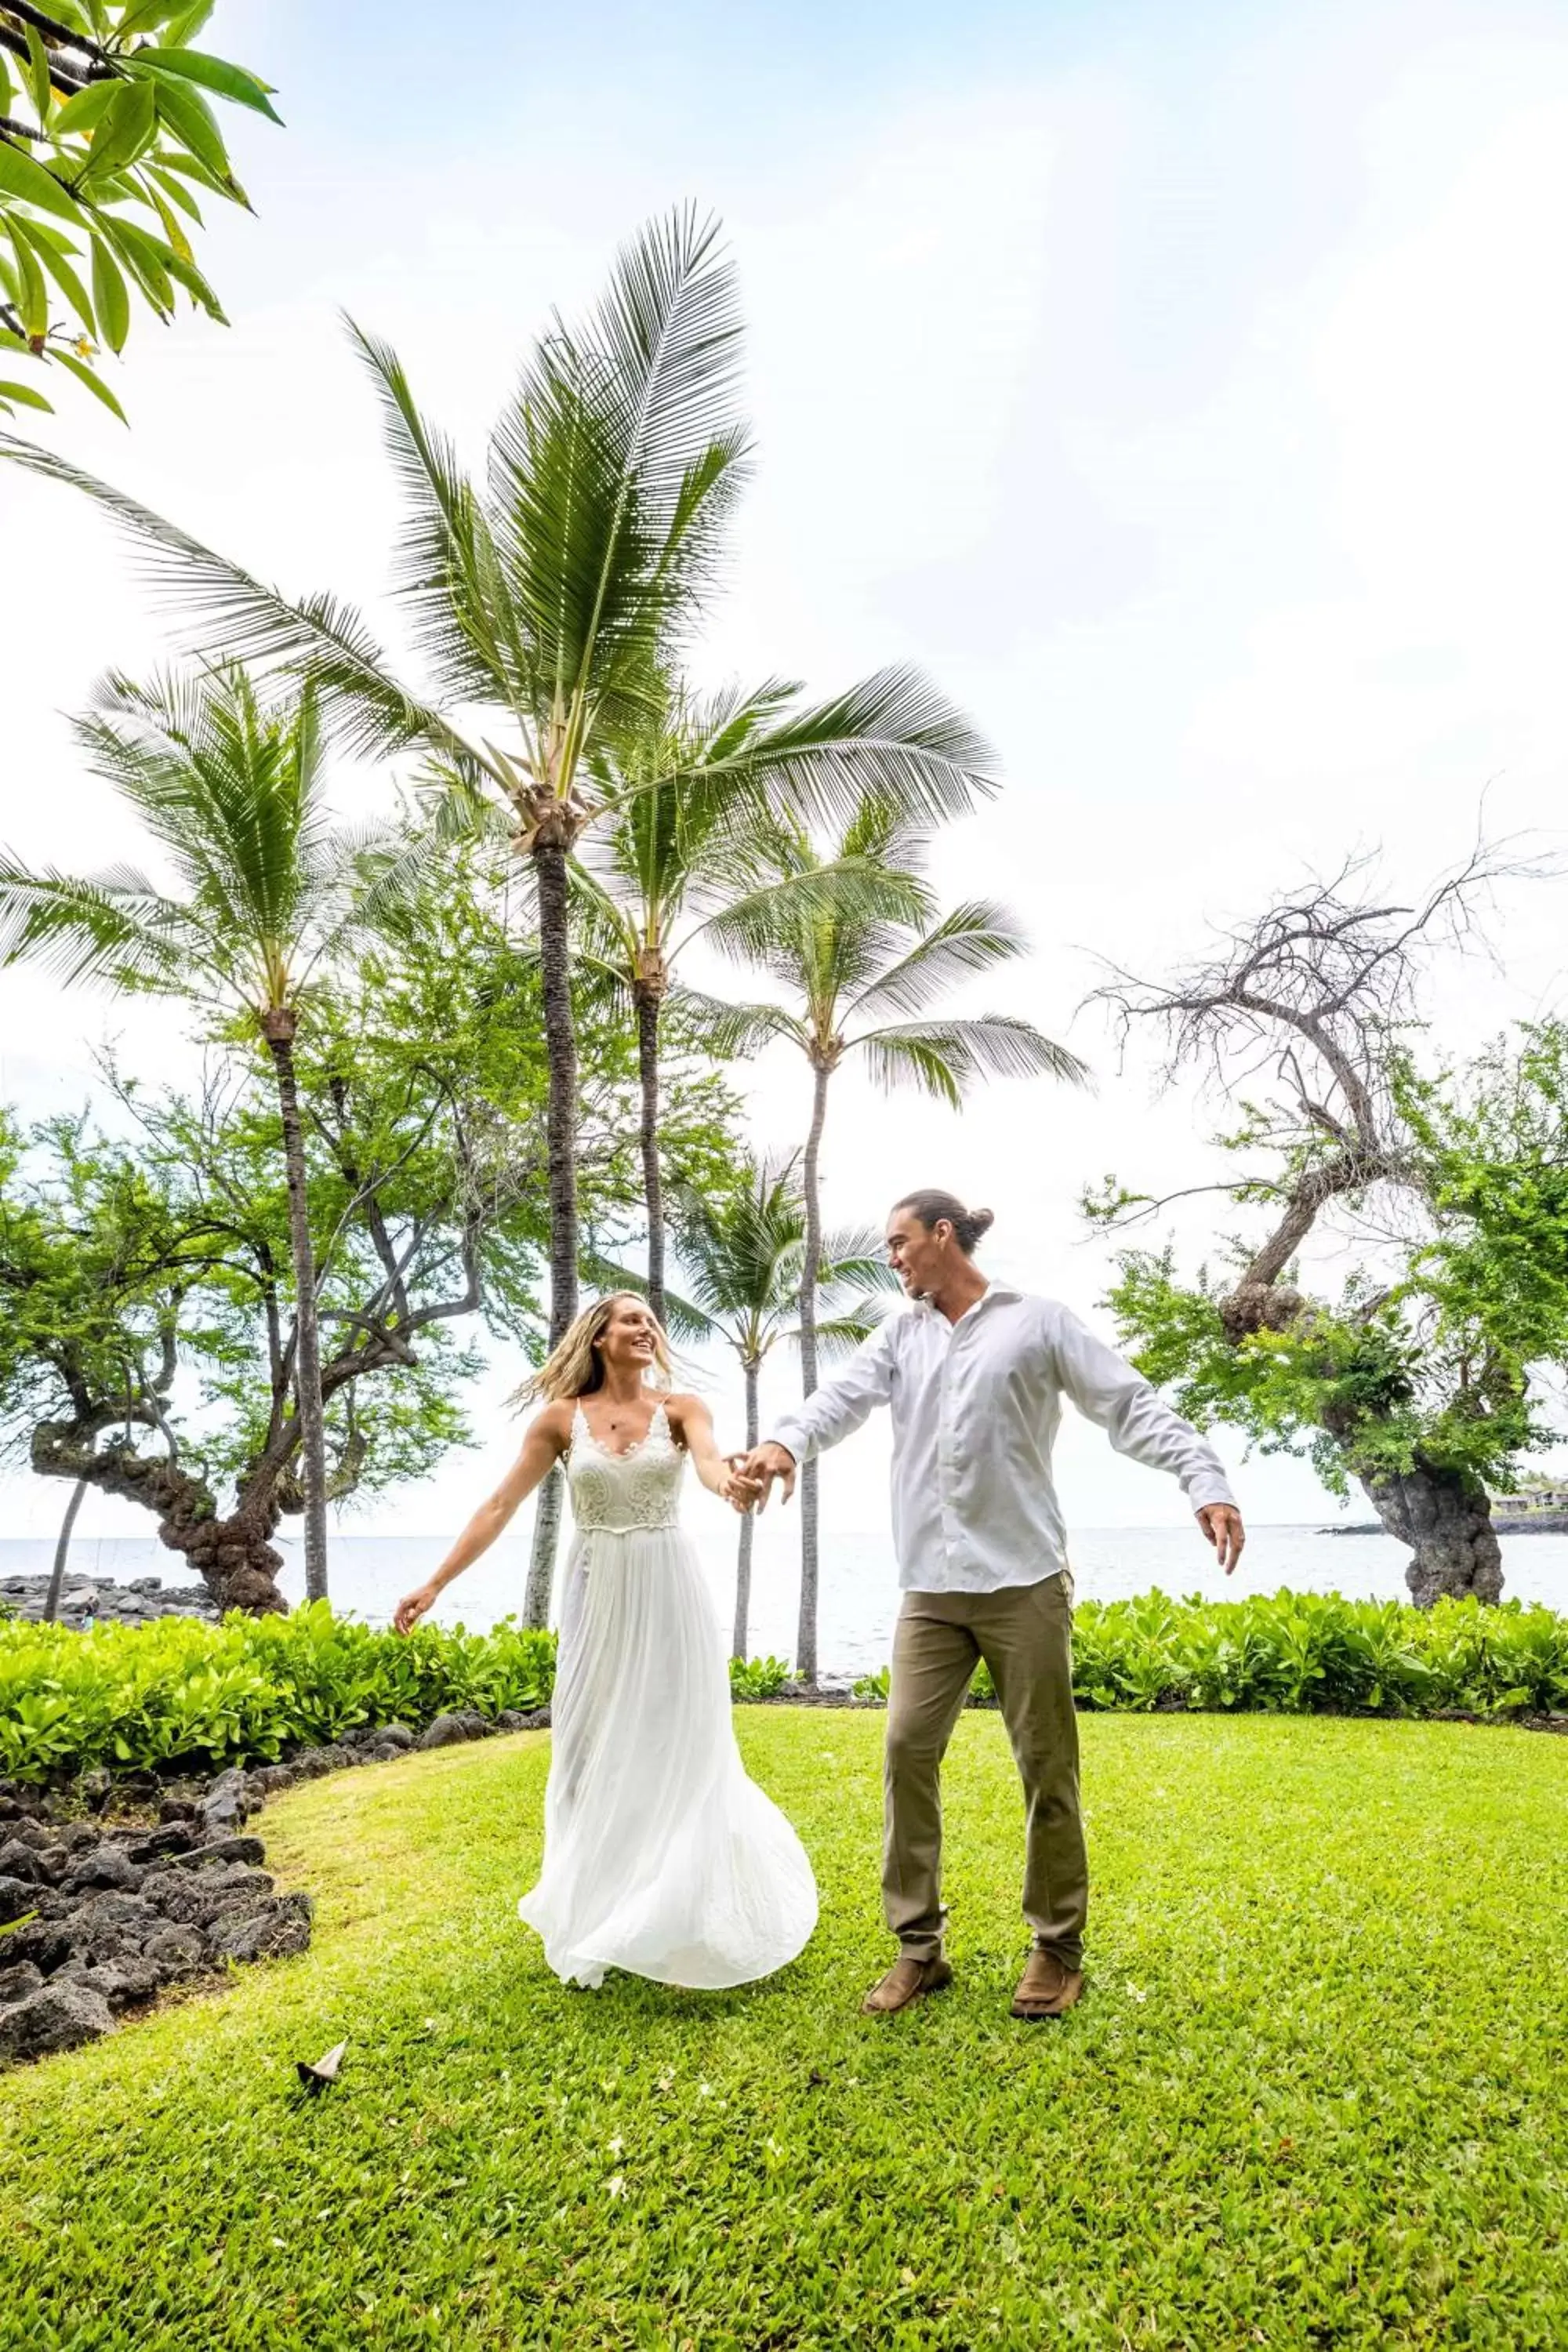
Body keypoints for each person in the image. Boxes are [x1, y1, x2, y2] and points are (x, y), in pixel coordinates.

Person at [737, 1189, 1243, 2022]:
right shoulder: (897, 1335)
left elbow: (1128, 1405)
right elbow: (837, 1403)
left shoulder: (1035, 1322)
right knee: (904, 1752)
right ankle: (917, 1949)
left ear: (943, 1236)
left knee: (1045, 1766)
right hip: (930, 1593)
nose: (891, 1258)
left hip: (1022, 1586)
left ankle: (1056, 1946)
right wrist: (779, 1444)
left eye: (899, 1242)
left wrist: (1203, 1478)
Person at [394, 1293, 818, 1991]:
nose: (646, 1328)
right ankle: (601, 1908)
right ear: (598, 1336)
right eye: (631, 1319)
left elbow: (713, 1470)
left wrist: (734, 1485)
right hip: (595, 1591)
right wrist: (436, 1584)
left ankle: (675, 1913)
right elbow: (500, 1504)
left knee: (676, 1740)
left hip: (667, 1584)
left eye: (651, 1320)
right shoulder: (560, 1421)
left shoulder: (683, 1409)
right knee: (589, 1745)